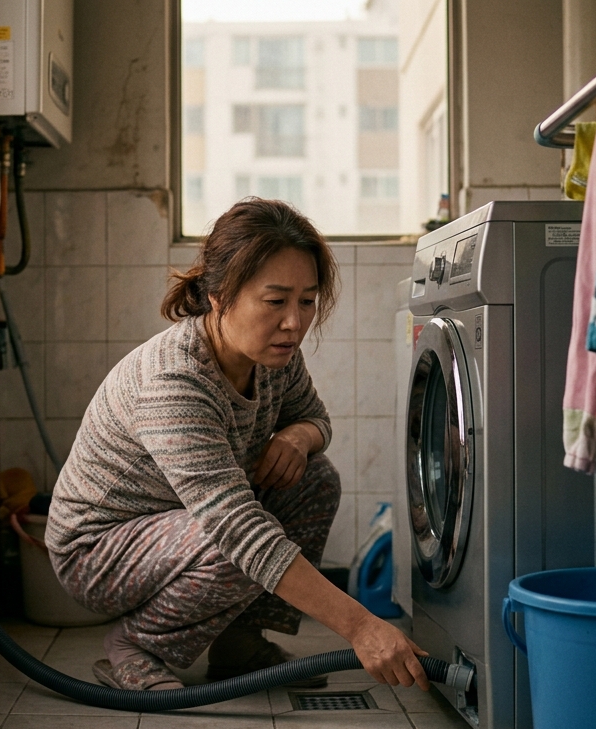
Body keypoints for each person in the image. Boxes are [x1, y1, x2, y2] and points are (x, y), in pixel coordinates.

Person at [47, 198, 429, 692]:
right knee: (239, 539)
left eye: (307, 301)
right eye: (275, 302)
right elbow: (235, 528)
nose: (294, 322)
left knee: (315, 478)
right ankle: (135, 647)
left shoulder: (275, 355)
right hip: (98, 550)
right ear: (219, 295)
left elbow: (316, 419)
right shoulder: (175, 380)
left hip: (182, 528)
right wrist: (362, 627)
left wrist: (298, 435)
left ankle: (239, 642)